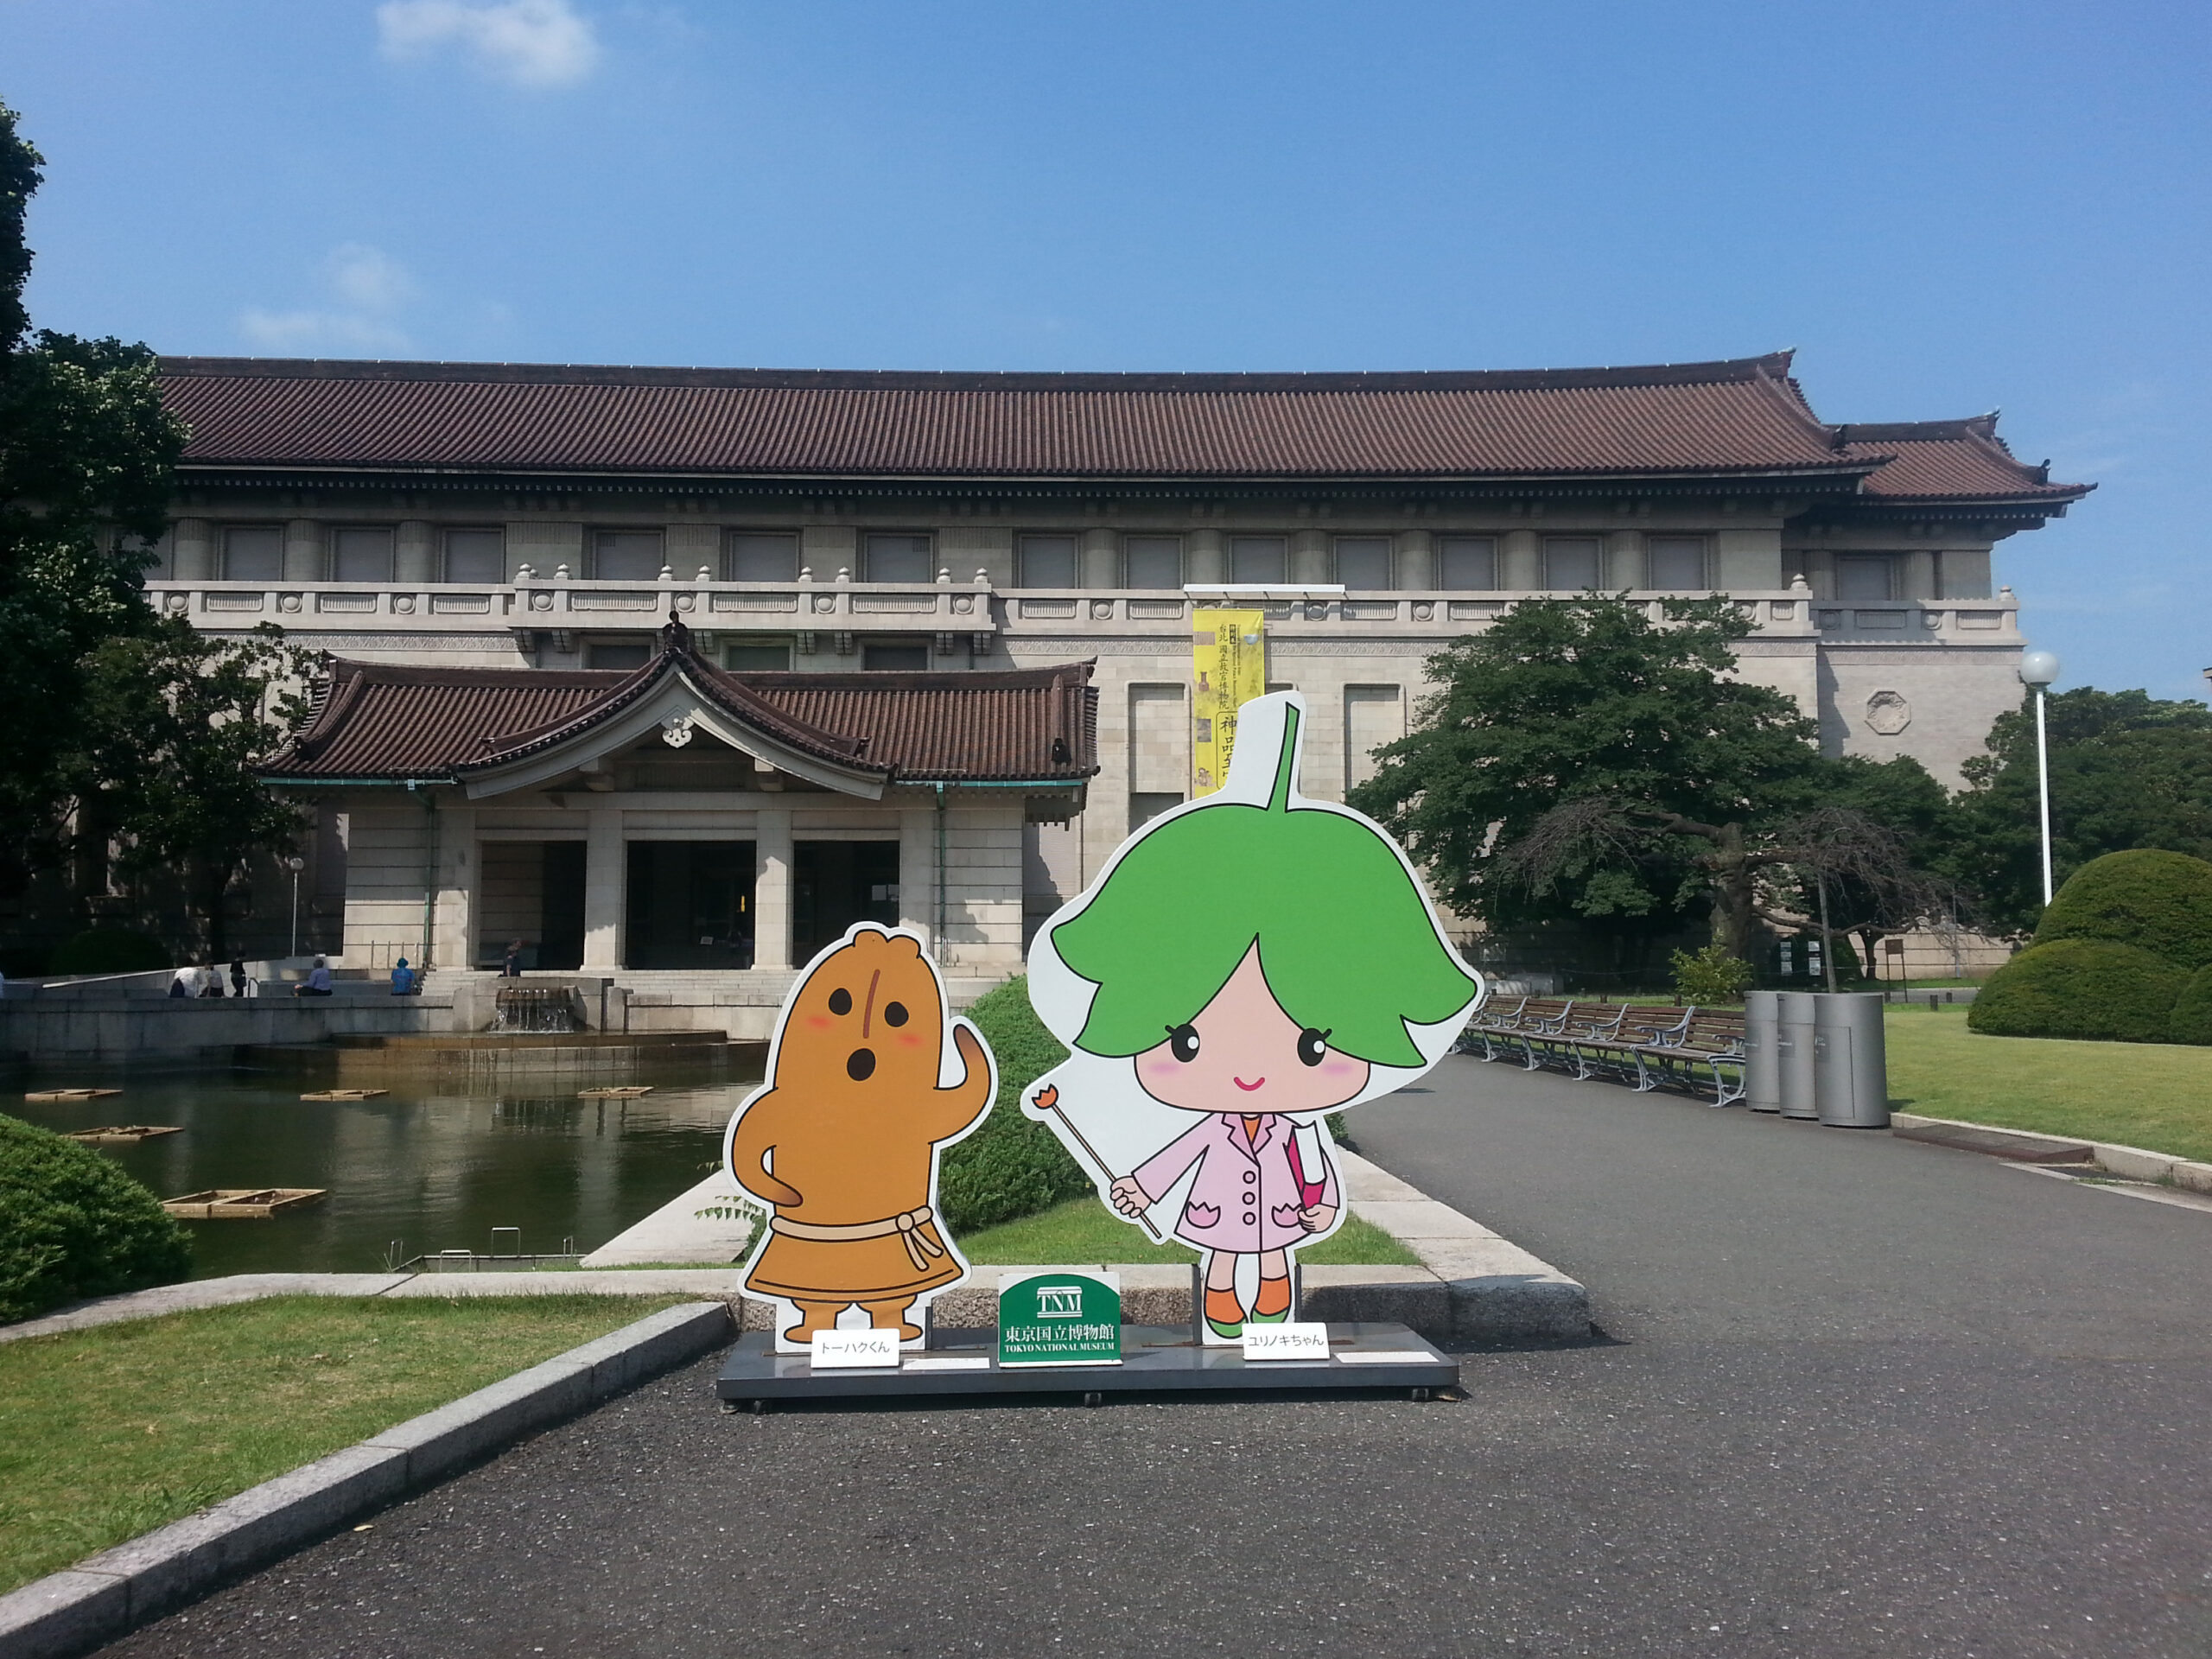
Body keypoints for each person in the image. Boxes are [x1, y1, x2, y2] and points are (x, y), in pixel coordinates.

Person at [1025, 693, 1483, 1340]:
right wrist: (1138, 1187)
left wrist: (1321, 1201)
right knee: (1224, 1261)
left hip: (1278, 1211)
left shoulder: (1293, 1131)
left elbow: (1313, 1166)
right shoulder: (1213, 1128)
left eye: (1313, 1046)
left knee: (1269, 1255)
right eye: (1185, 1041)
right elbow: (1174, 1157)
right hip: (1217, 1211)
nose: (1245, 1074)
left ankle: (1271, 1301)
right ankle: (1223, 1303)